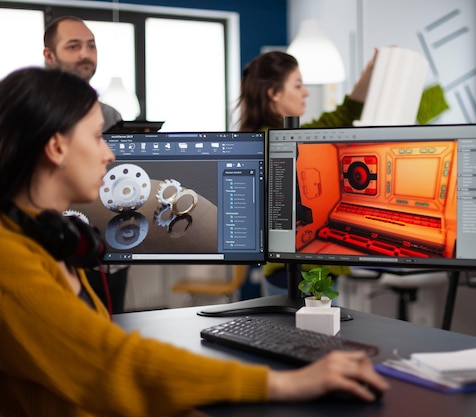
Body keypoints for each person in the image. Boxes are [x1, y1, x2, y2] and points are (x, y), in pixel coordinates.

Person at [0, 67, 389, 417]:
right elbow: (107, 365)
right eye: (98, 137)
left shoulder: (45, 239)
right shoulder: (10, 263)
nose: (110, 153)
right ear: (56, 147)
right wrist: (285, 382)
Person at [236, 50, 377, 295]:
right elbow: (344, 115)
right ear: (274, 93)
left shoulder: (257, 141)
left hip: (287, 272)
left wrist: (372, 68)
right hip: (302, 274)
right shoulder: (279, 143)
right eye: (298, 85)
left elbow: (345, 114)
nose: (306, 92)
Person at [43, 15, 127, 313]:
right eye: (74, 46)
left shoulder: (111, 113)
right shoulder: (32, 112)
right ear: (49, 55)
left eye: (91, 46)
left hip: (103, 247)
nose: (85, 54)